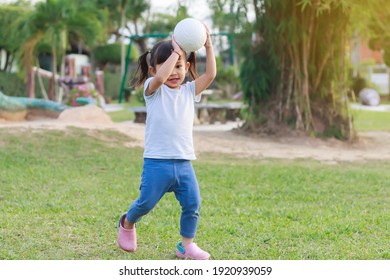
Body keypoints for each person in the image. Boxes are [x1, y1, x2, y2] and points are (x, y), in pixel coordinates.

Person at [117, 26, 216, 260]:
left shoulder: (189, 91)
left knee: (193, 204)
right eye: (168, 66)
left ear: (187, 68)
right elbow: (162, 78)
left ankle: (186, 245)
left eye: (180, 66)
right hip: (156, 162)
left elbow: (210, 75)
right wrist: (176, 52)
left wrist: (208, 46)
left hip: (183, 162)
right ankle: (127, 222)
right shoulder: (153, 90)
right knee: (145, 203)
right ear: (153, 70)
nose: (174, 72)